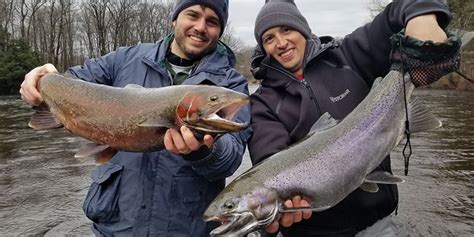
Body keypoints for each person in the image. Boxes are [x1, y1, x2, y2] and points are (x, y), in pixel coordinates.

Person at [20, 0, 251, 236]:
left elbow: (231, 158)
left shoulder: (231, 84)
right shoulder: (124, 59)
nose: (200, 27)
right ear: (175, 19)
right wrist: (41, 77)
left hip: (184, 228)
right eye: (192, 15)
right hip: (115, 226)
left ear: (220, 30)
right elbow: (70, 81)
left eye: (212, 21)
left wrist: (203, 151)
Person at [249, 0, 454, 236]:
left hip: (379, 225)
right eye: (269, 38)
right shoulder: (262, 103)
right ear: (263, 48)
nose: (281, 43)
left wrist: (422, 16)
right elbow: (267, 163)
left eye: (286, 30)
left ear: (303, 29)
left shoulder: (348, 55)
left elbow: (398, 10)